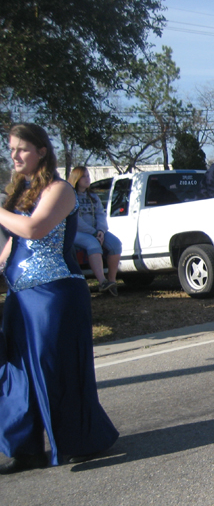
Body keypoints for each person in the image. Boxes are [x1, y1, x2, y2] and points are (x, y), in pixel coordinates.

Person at [0, 123, 118, 473]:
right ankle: (26, 449)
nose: (14, 155)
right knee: (16, 374)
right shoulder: (19, 193)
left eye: (22, 148)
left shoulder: (60, 189)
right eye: (11, 148)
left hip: (55, 296)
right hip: (20, 298)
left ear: (41, 151)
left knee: (58, 371)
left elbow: (34, 229)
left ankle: (82, 441)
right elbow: (14, 244)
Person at [67, 166, 122, 296]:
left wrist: (101, 231)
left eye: (88, 176)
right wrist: (93, 233)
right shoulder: (70, 196)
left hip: (96, 232)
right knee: (93, 243)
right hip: (76, 233)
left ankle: (112, 282)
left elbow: (100, 215)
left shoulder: (93, 196)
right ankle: (102, 282)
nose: (88, 179)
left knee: (115, 244)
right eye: (84, 176)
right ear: (76, 179)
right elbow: (76, 220)